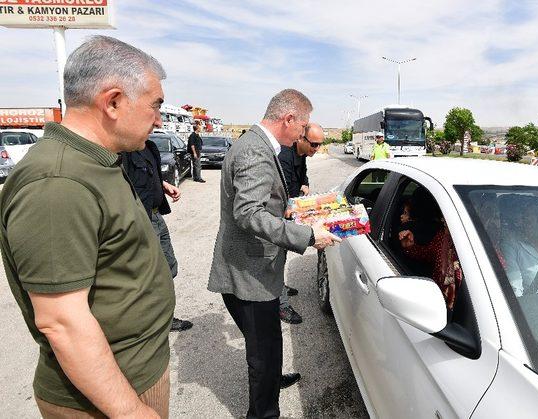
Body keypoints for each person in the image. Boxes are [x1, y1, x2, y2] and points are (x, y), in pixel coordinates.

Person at [0, 36, 174, 418]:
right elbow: (62, 322)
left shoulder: (98, 161)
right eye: (154, 106)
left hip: (133, 375)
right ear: (112, 102)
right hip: (103, 400)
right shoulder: (58, 182)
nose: (159, 120)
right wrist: (129, 411)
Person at [208, 89, 341, 419]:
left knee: (266, 346)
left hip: (253, 268)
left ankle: (270, 381)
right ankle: (263, 412)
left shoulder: (258, 145)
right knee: (264, 352)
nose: (303, 133)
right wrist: (308, 235)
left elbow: (263, 207)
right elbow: (249, 213)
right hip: (249, 277)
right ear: (289, 119)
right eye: (303, 125)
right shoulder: (255, 151)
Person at [121, 140, 193, 332]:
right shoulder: (124, 149)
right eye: (154, 111)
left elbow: (145, 177)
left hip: (156, 215)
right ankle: (154, 323)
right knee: (151, 274)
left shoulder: (149, 146)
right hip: (141, 219)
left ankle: (163, 317)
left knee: (169, 267)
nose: (158, 122)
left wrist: (162, 186)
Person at [277, 123, 324, 324]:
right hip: (279, 216)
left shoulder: (302, 154)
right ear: (301, 139)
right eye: (313, 145)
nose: (316, 149)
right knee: (276, 259)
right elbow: (282, 190)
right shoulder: (284, 156)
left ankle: (280, 288)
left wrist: (305, 183)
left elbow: (302, 175)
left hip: (291, 211)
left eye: (320, 145)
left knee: (283, 255)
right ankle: (281, 305)